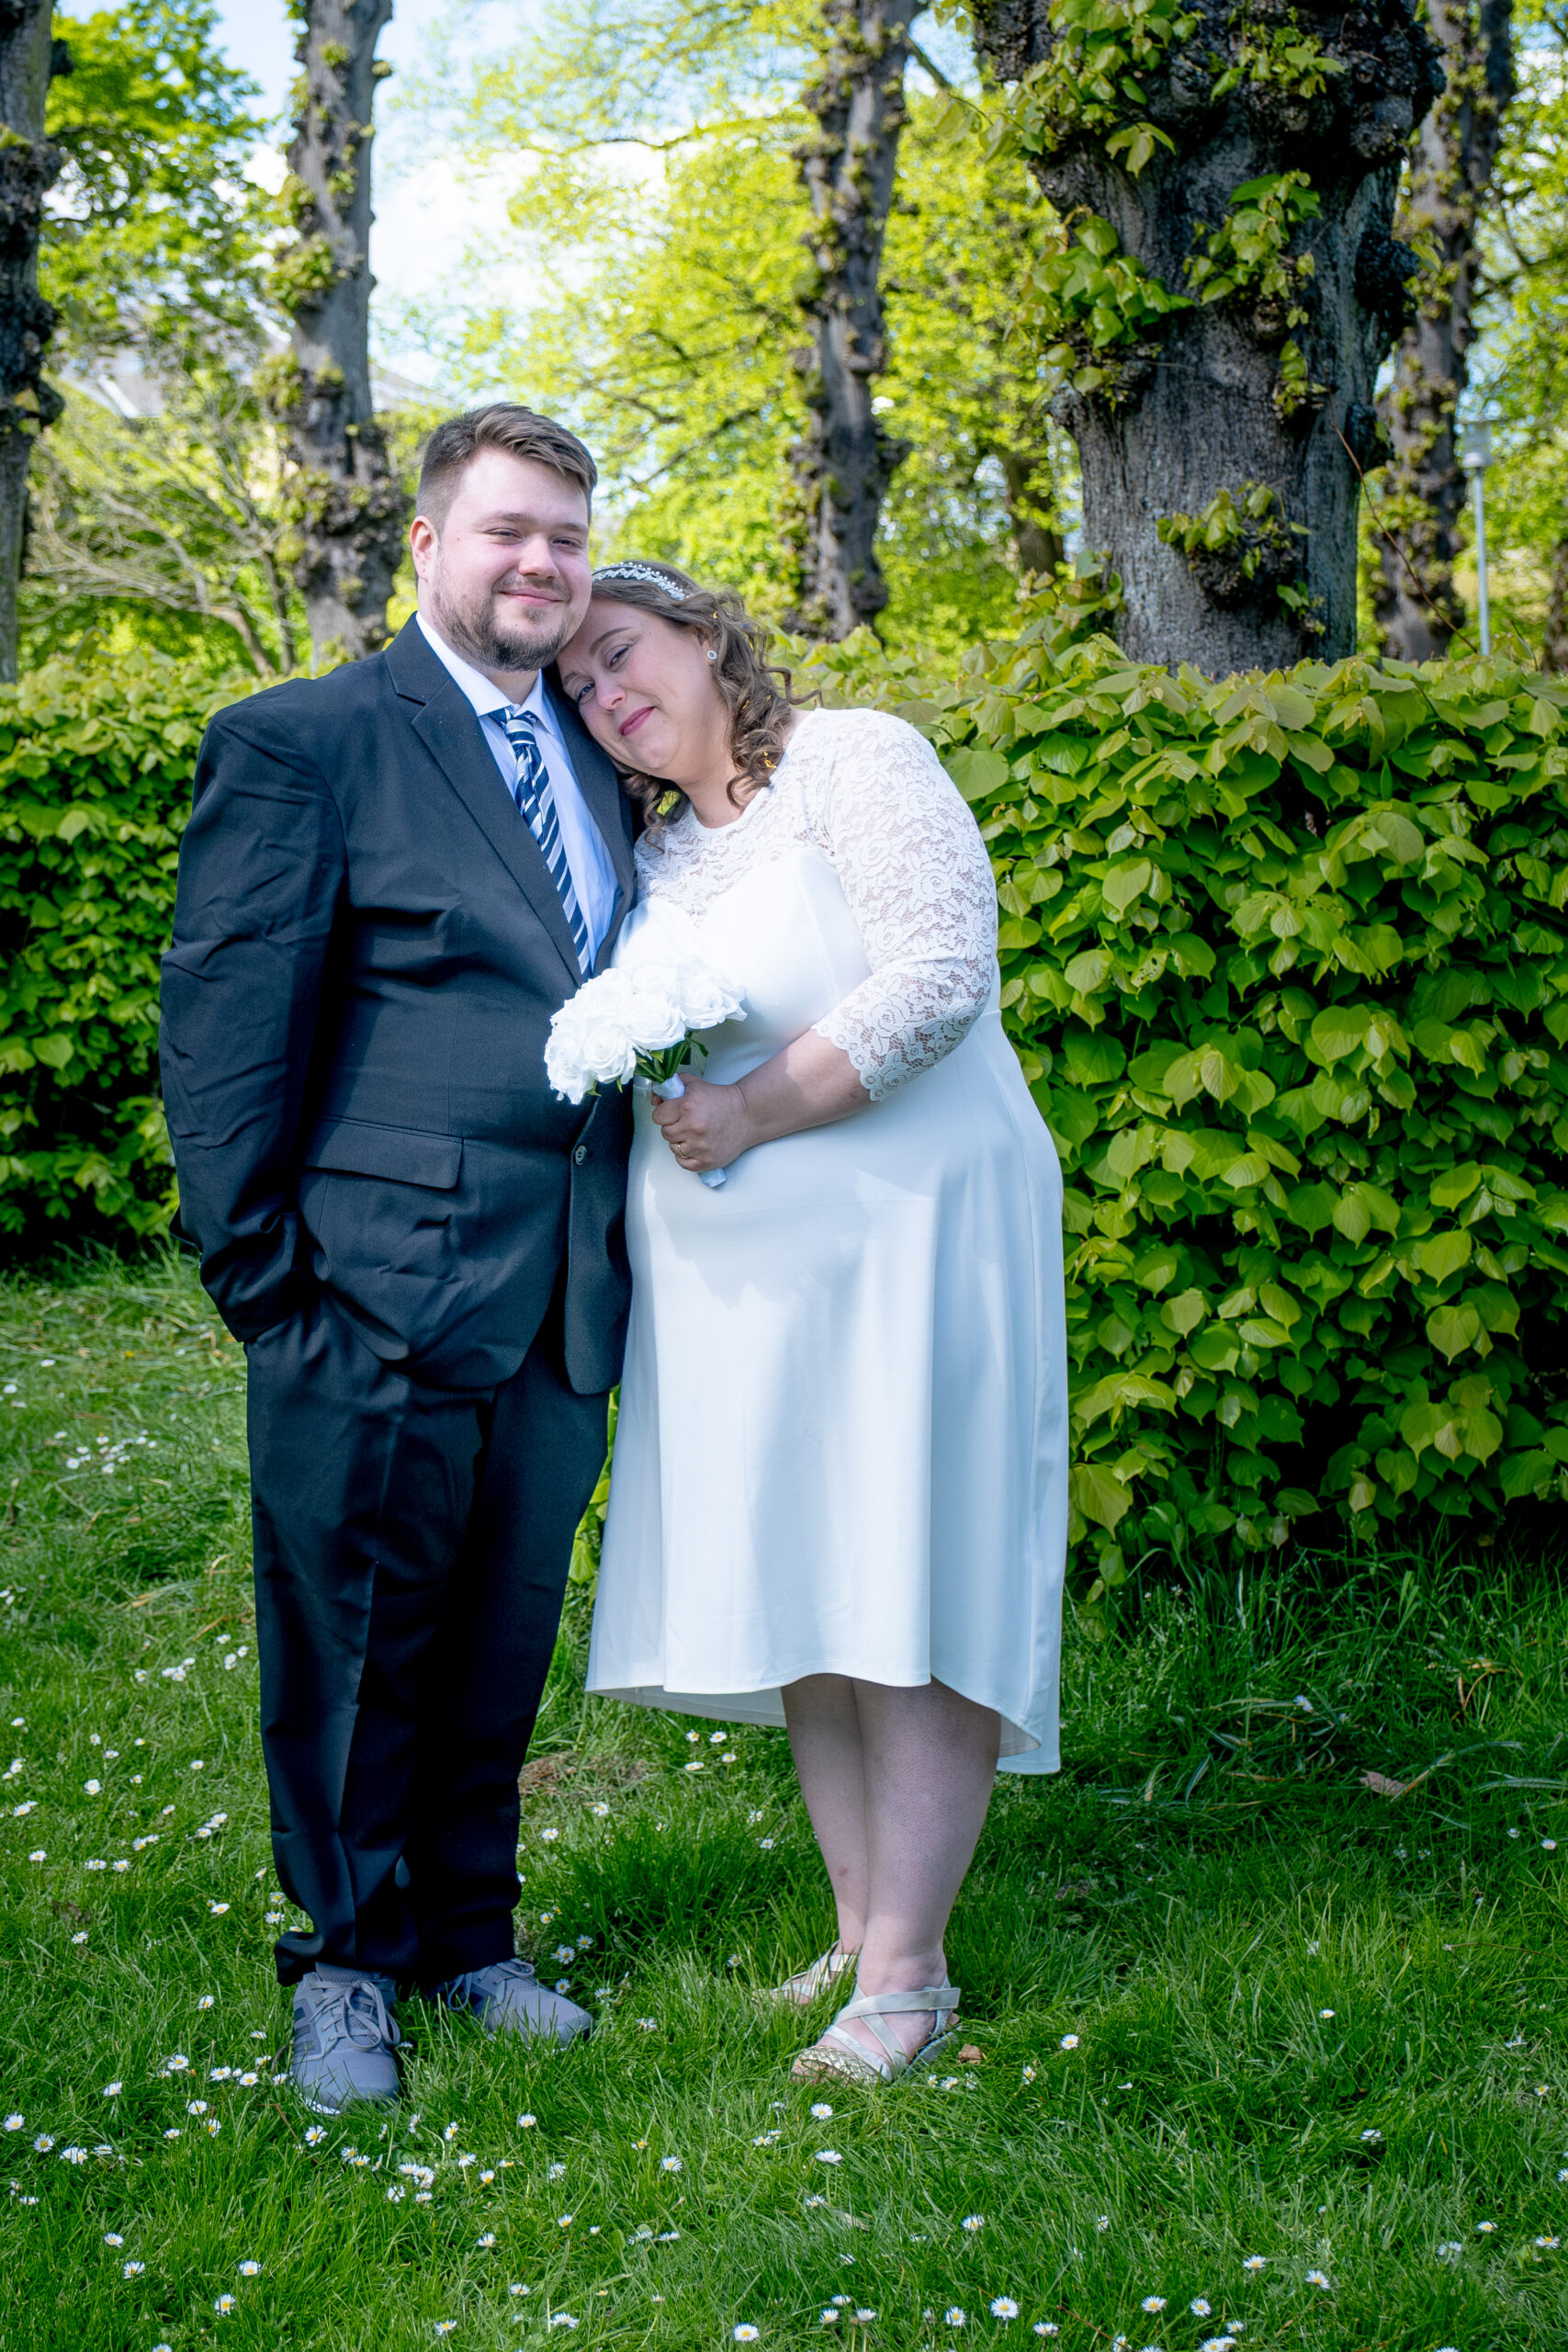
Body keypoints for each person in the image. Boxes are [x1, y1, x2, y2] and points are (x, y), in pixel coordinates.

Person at [159, 406, 638, 2113]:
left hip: (562, 1292)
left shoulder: (602, 751)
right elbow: (226, 1030)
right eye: (508, 531)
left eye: (567, 538)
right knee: (356, 1639)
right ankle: (346, 1968)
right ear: (427, 543)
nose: (541, 565)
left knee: (502, 1632)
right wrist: (267, 1288)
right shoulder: (307, 741)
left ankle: (471, 1940)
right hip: (364, 1288)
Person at [557, 561, 1068, 2086]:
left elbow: (941, 976)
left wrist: (751, 1115)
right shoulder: (652, 855)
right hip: (746, 1295)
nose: (606, 694)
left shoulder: (855, 759)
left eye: (621, 652)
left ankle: (911, 1979)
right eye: (578, 685)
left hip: (911, 1240)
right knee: (816, 1584)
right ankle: (858, 1929)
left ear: (706, 634)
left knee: (908, 1571)